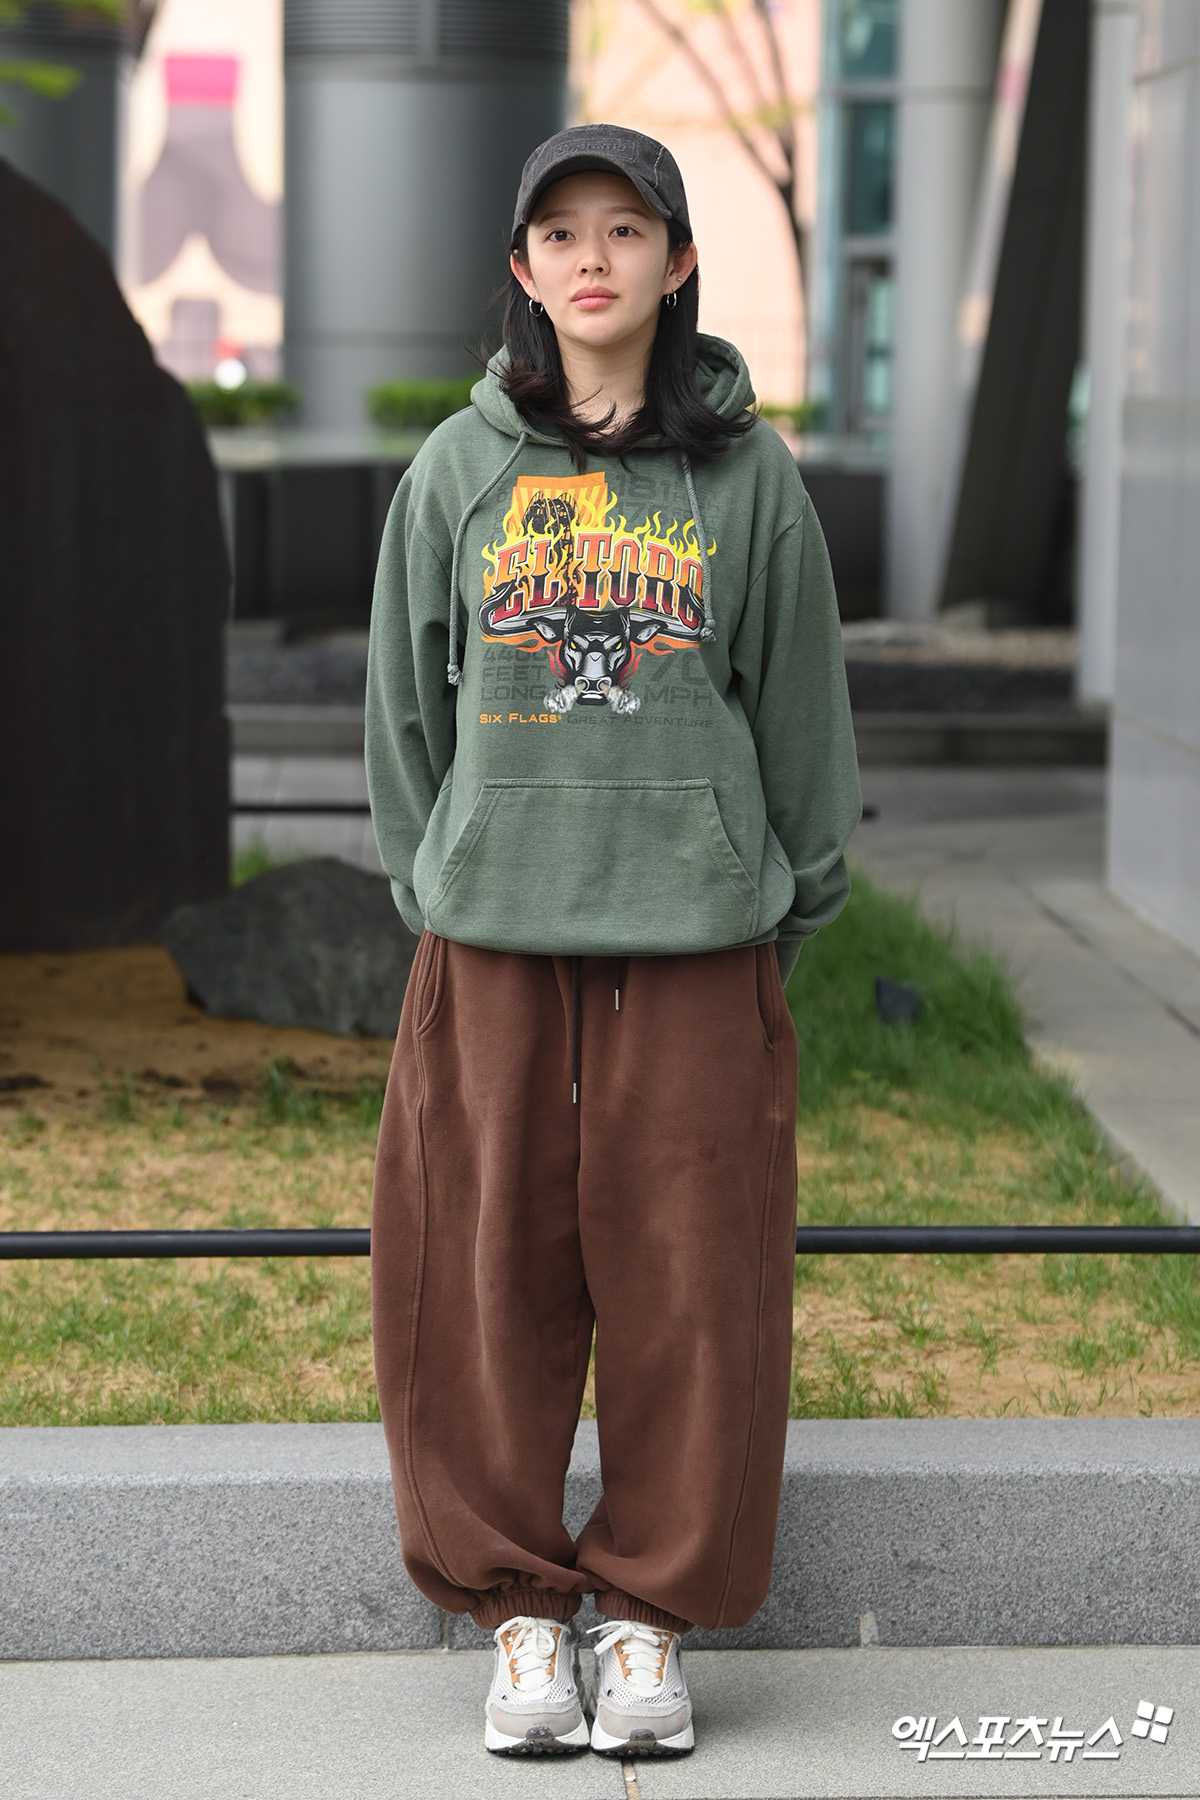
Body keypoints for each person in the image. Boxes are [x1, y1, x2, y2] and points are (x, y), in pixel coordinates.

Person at [365, 123, 860, 1760]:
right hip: (495, 940)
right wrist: (448, 878)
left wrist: (780, 899)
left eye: (627, 229)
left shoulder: (750, 480)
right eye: (563, 233)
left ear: (678, 260)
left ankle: (647, 1623)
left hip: (698, 942)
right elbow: (402, 720)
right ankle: (522, 1620)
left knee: (696, 1282)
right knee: (480, 1277)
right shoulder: (459, 470)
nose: (594, 259)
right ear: (522, 269)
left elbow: (803, 720)